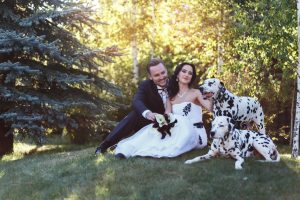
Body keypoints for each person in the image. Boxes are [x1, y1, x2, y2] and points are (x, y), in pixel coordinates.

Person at [114, 62, 212, 158]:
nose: (187, 75)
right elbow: (167, 115)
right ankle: (127, 150)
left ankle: (165, 148)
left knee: (178, 133)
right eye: (184, 71)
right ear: (177, 74)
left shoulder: (196, 93)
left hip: (195, 132)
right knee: (154, 131)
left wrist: (211, 95)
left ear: (191, 77)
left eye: (190, 73)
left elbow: (210, 108)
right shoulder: (171, 97)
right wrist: (159, 119)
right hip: (178, 130)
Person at [95, 58, 168, 155]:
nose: (161, 77)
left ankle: (124, 144)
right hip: (151, 123)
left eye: (163, 73)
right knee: (135, 114)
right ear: (150, 77)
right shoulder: (145, 86)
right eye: (157, 75)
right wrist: (148, 113)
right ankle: (105, 145)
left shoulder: (176, 84)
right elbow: (137, 101)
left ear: (166, 70)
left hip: (172, 123)